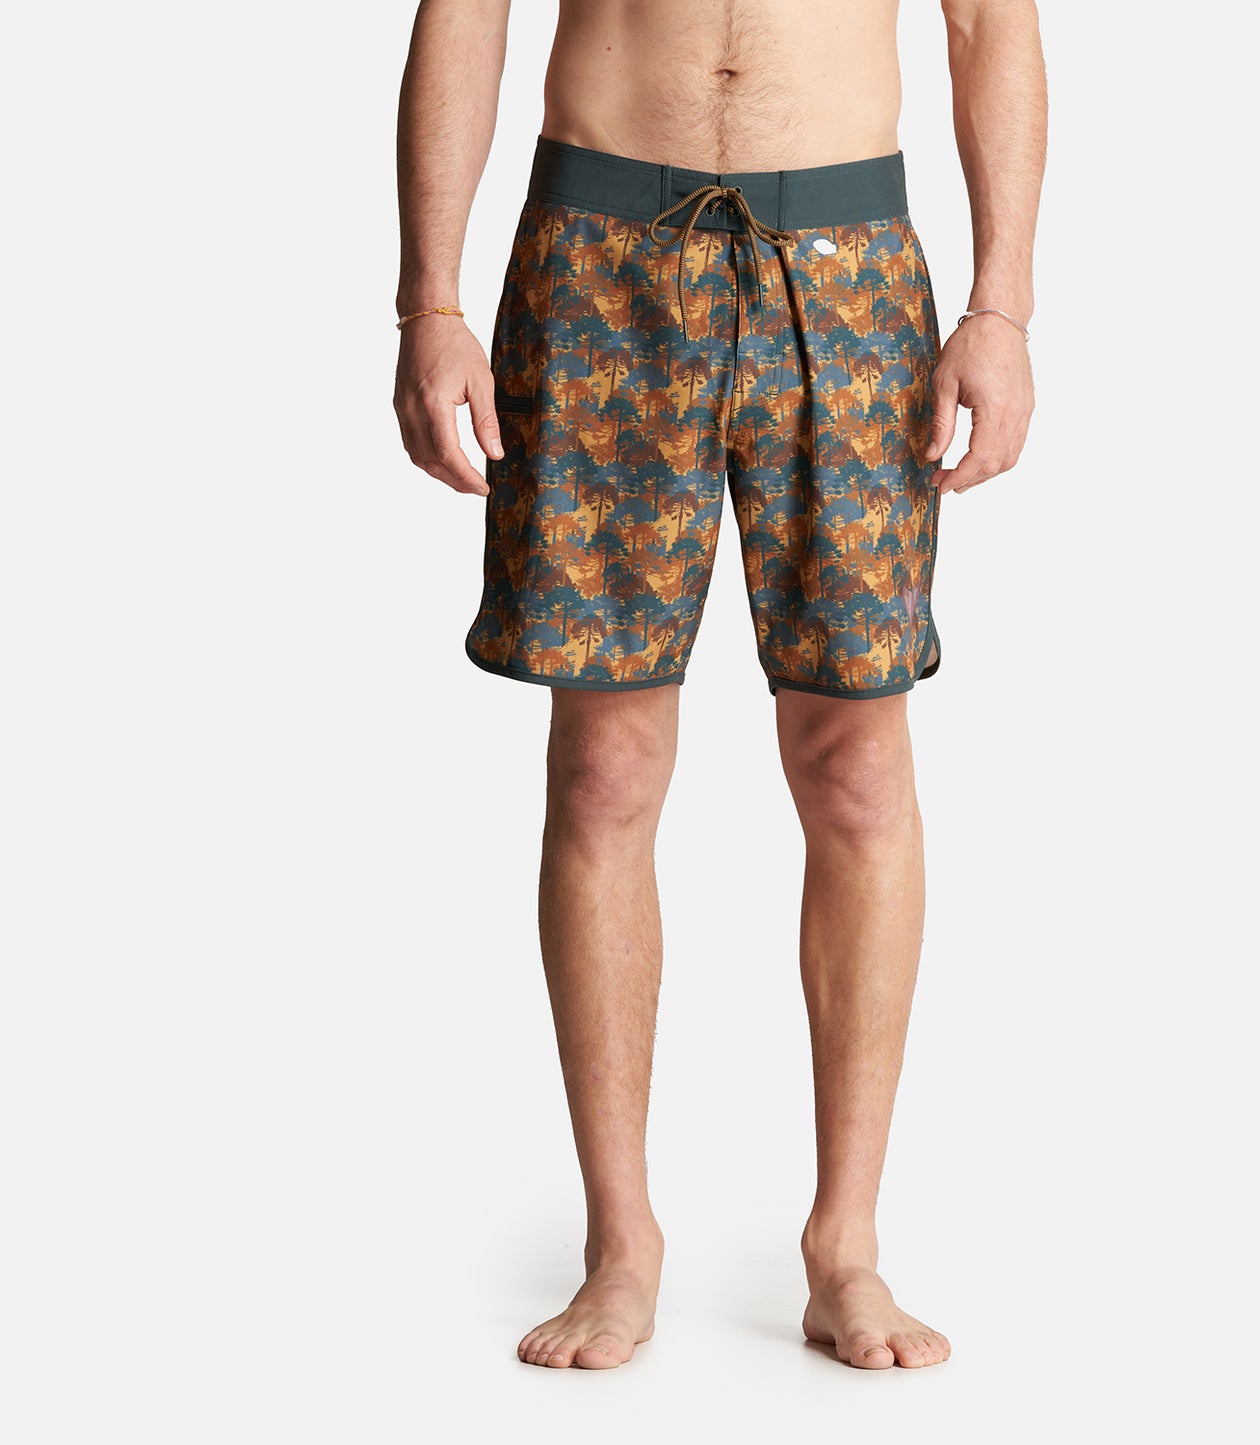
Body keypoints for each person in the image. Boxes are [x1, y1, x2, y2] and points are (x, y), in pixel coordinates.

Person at [393, 0, 1045, 1371]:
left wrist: (1002, 305)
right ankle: (619, 1243)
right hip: (598, 255)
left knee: (856, 764)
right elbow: (465, 11)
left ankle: (845, 1245)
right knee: (604, 765)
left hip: (849, 267)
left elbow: (990, 23)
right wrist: (429, 300)